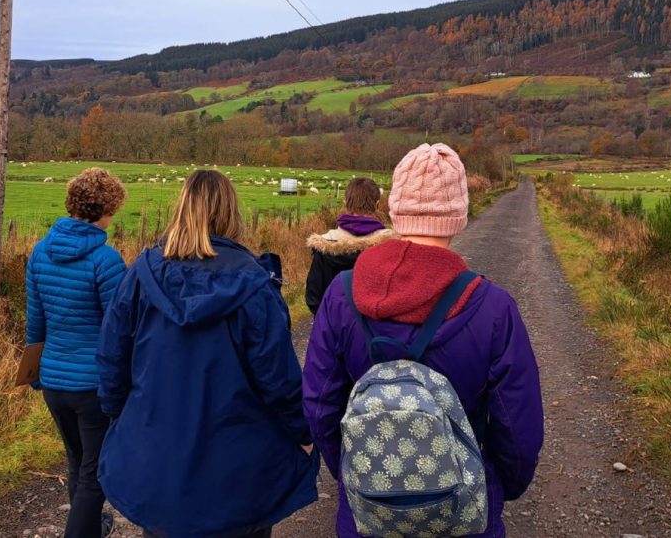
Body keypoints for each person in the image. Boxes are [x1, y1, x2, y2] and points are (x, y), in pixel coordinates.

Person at [302, 144, 544, 538]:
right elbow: (518, 428)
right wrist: (497, 488)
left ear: (395, 209)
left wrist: (355, 473)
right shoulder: (494, 308)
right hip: (463, 515)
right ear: (459, 215)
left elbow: (318, 406)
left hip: (368, 515)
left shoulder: (340, 297)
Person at [97, 170, 318, 538]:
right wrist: (303, 433)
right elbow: (278, 380)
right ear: (231, 212)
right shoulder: (254, 284)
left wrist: (122, 419)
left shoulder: (140, 275)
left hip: (159, 460)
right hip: (238, 471)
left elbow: (111, 361)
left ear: (181, 209)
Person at [26, 167, 127, 538]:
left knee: (77, 460)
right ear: (107, 209)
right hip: (93, 385)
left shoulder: (40, 252)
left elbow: (35, 321)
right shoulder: (107, 261)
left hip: (54, 381)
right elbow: (119, 332)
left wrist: (35, 372)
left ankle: (92, 526)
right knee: (94, 474)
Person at [305, 177, 393, 316]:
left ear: (346, 203)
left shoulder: (326, 244)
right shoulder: (391, 244)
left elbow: (314, 298)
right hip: (376, 329)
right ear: (377, 205)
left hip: (336, 326)